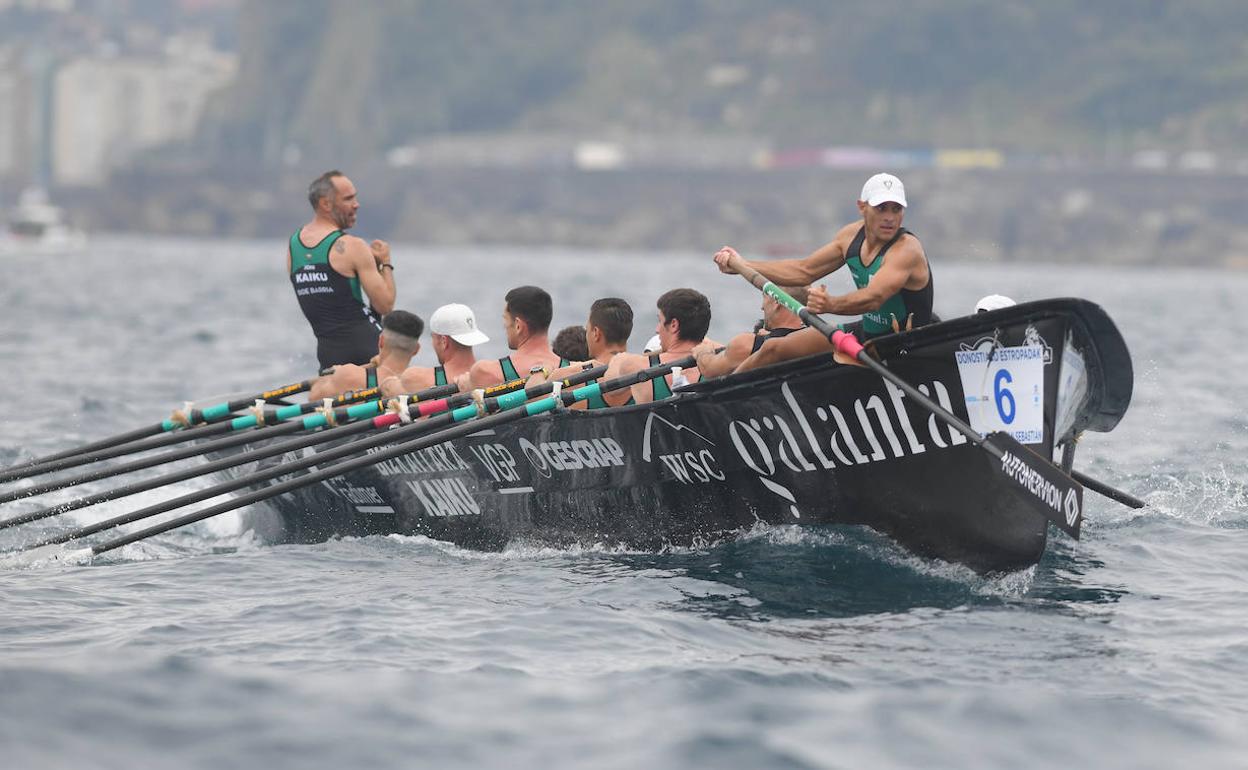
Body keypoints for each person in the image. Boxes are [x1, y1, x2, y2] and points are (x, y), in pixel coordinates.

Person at [714, 172, 933, 373]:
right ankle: (715, 403)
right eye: (881, 208)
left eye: (896, 209)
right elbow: (804, 271)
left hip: (908, 344)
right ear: (862, 207)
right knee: (773, 349)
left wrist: (830, 305)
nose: (890, 217)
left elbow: (873, 298)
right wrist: (743, 265)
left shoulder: (906, 249)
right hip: (868, 334)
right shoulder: (850, 237)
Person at [290, 170, 397, 370]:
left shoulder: (293, 248)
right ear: (326, 204)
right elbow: (385, 305)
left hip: (329, 358)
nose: (356, 204)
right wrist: (385, 263)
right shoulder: (352, 246)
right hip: (369, 353)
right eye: (348, 199)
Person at [601, 289, 713, 406]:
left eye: (660, 321)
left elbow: (611, 388)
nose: (657, 329)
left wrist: (619, 359)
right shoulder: (720, 366)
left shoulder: (635, 365)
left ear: (674, 325)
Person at [529, 297, 634, 409]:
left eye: (587, 329)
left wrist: (542, 371)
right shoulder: (647, 374)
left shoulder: (569, 375)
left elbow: (531, 397)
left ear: (596, 333)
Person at [307, 310, 424, 401]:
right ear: (416, 349)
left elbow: (314, 398)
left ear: (381, 341)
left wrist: (333, 376)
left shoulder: (348, 374)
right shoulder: (422, 382)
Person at [693, 285, 808, 378]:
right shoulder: (818, 340)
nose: (762, 307)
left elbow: (709, 369)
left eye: (765, 297)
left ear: (776, 301)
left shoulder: (747, 344)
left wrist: (703, 352)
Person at [464, 286, 566, 389]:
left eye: (505, 319)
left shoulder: (485, 372)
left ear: (518, 326)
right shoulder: (572, 370)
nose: (504, 326)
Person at [383, 303, 489, 396]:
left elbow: (388, 387)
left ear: (443, 341)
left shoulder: (415, 377)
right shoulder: (490, 375)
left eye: (432, 337)